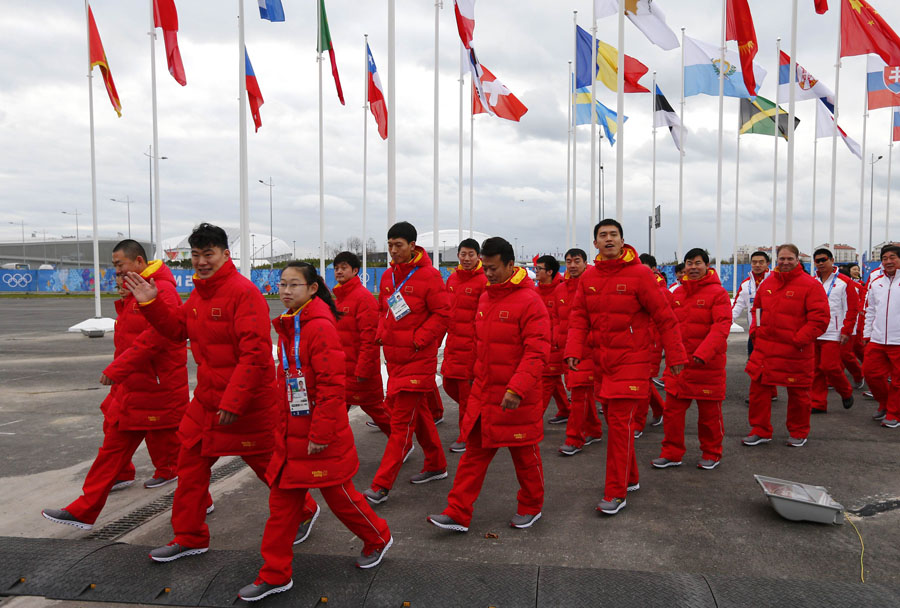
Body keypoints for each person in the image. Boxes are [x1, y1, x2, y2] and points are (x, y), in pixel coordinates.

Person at [124, 223, 316, 562]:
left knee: (267, 467)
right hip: (207, 402)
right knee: (190, 466)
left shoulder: (244, 294)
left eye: (208, 254)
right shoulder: (200, 294)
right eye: (196, 255)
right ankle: (189, 536)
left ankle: (305, 509)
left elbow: (255, 354)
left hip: (246, 404)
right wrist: (152, 304)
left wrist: (234, 401)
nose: (201, 261)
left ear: (226, 255)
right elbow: (177, 330)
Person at [237, 263, 392, 602]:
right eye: (282, 284)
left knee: (343, 500)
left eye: (295, 285)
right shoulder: (293, 323)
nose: (286, 290)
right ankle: (275, 574)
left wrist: (321, 434)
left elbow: (332, 386)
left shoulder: (318, 326)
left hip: (319, 436)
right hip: (292, 433)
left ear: (311, 289)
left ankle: (378, 537)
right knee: (281, 507)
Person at [42, 240, 189, 530]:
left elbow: (155, 339)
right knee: (120, 440)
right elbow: (132, 334)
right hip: (137, 386)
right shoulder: (138, 287)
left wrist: (117, 370)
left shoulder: (164, 291)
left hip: (154, 388)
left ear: (138, 261)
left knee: (180, 457)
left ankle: (197, 500)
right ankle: (90, 505)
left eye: (119, 264)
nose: (116, 270)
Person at [565, 220, 687, 515]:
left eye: (613, 235)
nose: (608, 239)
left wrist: (675, 356)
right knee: (616, 424)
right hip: (602, 363)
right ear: (595, 244)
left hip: (632, 362)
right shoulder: (590, 276)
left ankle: (615, 492)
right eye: (602, 236)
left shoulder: (641, 275)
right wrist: (573, 350)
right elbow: (579, 316)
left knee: (620, 427)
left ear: (622, 241)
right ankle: (630, 478)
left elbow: (665, 317)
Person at [428, 237, 550, 532]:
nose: (488, 273)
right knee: (473, 455)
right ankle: (457, 512)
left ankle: (531, 506)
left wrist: (517, 388)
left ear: (511, 265)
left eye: (494, 268)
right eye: (486, 266)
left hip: (516, 398)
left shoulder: (530, 301)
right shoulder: (486, 296)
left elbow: (537, 350)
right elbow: (478, 345)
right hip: (485, 394)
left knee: (526, 459)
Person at [363, 222, 450, 505]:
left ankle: (381, 485)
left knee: (401, 423)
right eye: (389, 245)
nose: (393, 250)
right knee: (419, 414)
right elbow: (383, 309)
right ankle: (436, 464)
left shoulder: (430, 276)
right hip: (395, 358)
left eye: (398, 245)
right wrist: (381, 334)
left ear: (413, 245)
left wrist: (418, 339)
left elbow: (442, 315)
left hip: (418, 358)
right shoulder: (388, 275)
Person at [743, 244, 830, 448]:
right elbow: (757, 309)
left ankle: (799, 431)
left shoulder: (810, 285)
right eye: (781, 258)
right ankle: (760, 430)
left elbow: (820, 320)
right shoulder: (769, 282)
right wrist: (756, 331)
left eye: (789, 258)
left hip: (795, 351)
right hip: (765, 349)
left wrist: (798, 339)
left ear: (797, 259)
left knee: (799, 394)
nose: (785, 262)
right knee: (758, 391)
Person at [652, 248, 731, 470]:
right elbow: (667, 325)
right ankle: (672, 453)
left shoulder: (719, 293)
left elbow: (721, 326)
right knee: (672, 414)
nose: (693, 267)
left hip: (707, 366)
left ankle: (712, 453)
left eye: (698, 263)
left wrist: (703, 354)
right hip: (680, 367)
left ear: (707, 266)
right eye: (689, 263)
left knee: (709, 417)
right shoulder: (677, 293)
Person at [332, 251, 391, 435]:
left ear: (355, 270)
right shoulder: (339, 299)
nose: (339, 271)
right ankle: (335, 454)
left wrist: (363, 370)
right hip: (343, 370)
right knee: (335, 415)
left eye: (344, 267)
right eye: (336, 268)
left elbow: (370, 338)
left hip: (359, 372)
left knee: (376, 410)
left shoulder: (363, 298)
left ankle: (401, 443)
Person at [555, 248, 603, 456]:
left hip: (590, 351)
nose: (572, 265)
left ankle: (574, 438)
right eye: (568, 261)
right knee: (582, 393)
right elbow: (557, 319)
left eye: (577, 261)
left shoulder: (596, 286)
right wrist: (559, 341)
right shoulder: (560, 290)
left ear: (585, 263)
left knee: (579, 394)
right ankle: (594, 429)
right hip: (570, 350)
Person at [442, 238, 488, 453]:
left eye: (471, 254)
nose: (467, 258)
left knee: (465, 393)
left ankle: (466, 435)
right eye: (463, 254)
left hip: (472, 346)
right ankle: (479, 415)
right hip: (452, 343)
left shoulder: (483, 280)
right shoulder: (451, 279)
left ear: (478, 256)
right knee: (450, 384)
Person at [810, 248, 858, 414]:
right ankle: (818, 403)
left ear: (832, 260)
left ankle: (845, 391)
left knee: (829, 366)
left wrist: (847, 330)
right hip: (814, 331)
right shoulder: (812, 281)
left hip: (834, 332)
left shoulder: (845, 281)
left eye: (824, 260)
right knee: (815, 369)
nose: (821, 263)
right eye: (818, 261)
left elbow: (852, 308)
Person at [732, 251, 777, 404]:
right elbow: (737, 306)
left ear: (767, 264)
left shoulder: (777, 281)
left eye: (761, 262)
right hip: (755, 333)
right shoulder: (746, 285)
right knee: (755, 363)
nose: (757, 265)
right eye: (754, 262)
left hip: (774, 332)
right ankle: (761, 394)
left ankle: (770, 391)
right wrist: (725, 323)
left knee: (769, 363)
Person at [863, 244, 900, 427]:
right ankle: (886, 404)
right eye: (884, 258)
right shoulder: (876, 281)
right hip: (877, 339)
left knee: (898, 382)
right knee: (871, 374)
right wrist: (867, 334)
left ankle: (894, 413)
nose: (888, 261)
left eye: (892, 257)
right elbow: (870, 310)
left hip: (898, 340)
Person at [633, 253, 668, 437]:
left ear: (654, 269)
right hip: (637, 342)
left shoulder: (662, 291)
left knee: (642, 384)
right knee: (644, 382)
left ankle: (638, 423)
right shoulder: (635, 286)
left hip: (652, 343)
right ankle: (661, 410)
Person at [534, 254, 571, 424]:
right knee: (553, 378)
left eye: (539, 269)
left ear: (549, 272)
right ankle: (565, 409)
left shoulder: (562, 290)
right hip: (540, 342)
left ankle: (533, 419)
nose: (536, 272)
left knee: (547, 380)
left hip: (555, 344)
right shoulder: (535, 291)